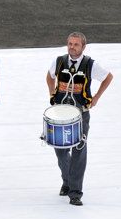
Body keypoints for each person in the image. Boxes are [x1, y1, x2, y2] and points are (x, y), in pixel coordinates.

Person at [45, 32, 113, 206]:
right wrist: (52, 92)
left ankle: (75, 192)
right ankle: (67, 180)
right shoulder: (59, 61)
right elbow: (49, 76)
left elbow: (108, 77)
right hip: (60, 113)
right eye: (69, 43)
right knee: (60, 150)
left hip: (80, 114)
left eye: (76, 44)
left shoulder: (90, 64)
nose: (72, 47)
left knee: (79, 151)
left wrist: (96, 97)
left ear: (83, 46)